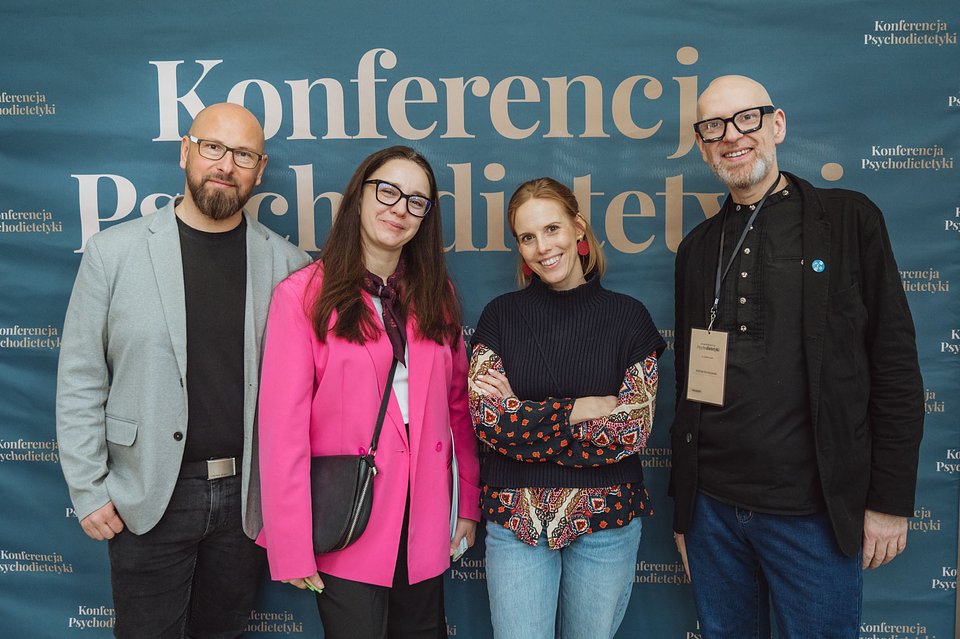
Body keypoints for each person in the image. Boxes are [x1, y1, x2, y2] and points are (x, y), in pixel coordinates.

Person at [670, 75, 924, 638]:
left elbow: (895, 366)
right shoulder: (697, 249)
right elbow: (690, 384)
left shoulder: (849, 220)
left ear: (777, 124)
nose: (731, 136)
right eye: (713, 127)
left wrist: (888, 500)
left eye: (747, 119)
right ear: (702, 146)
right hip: (713, 513)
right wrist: (685, 510)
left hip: (812, 514)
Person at [56, 102, 310, 637]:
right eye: (213, 147)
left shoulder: (290, 267)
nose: (226, 165)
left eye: (243, 155)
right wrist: (89, 489)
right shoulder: (112, 254)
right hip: (148, 493)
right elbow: (81, 379)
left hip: (246, 502)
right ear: (185, 152)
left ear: (260, 169)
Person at [256, 145, 480, 639]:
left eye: (416, 201)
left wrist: (467, 502)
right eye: (388, 191)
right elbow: (282, 431)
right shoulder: (302, 296)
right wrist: (291, 543)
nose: (400, 208)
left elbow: (457, 409)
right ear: (359, 196)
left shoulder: (436, 295)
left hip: (425, 516)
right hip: (350, 518)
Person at [469, 177, 665, 639]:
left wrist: (525, 416)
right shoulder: (499, 316)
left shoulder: (629, 317)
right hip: (517, 520)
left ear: (578, 228)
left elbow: (631, 430)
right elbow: (490, 422)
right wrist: (581, 408)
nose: (543, 247)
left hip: (606, 519)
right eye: (527, 237)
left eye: (552, 229)